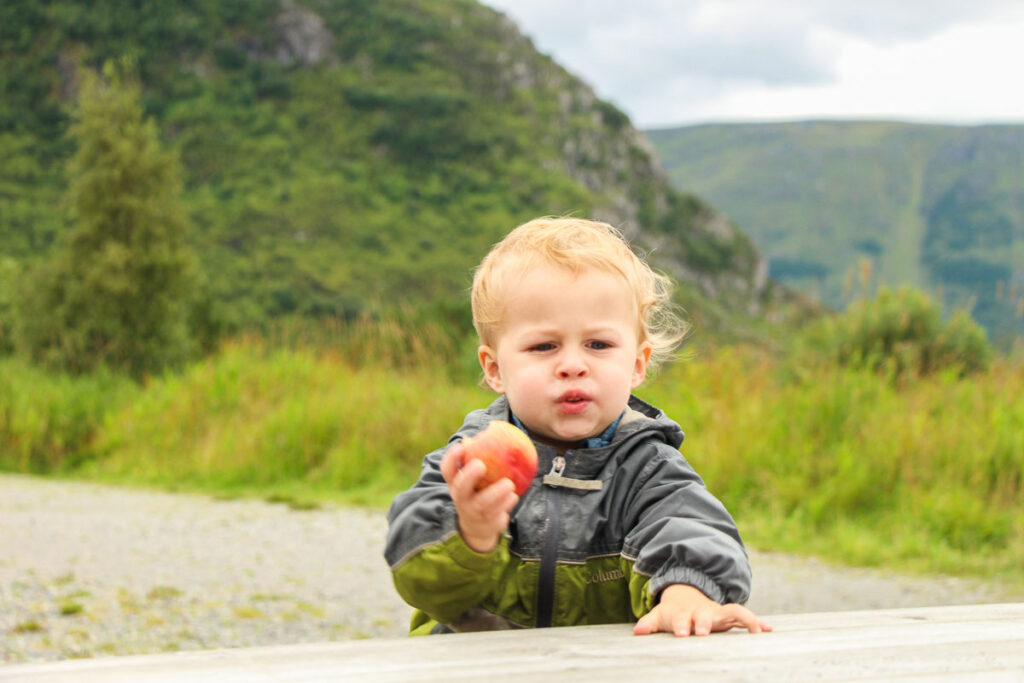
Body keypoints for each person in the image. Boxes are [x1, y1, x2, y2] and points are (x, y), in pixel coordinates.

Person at [384, 216, 770, 638]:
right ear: (494, 369)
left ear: (638, 363)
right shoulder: (470, 460)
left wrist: (685, 592)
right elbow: (418, 577)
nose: (572, 365)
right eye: (544, 346)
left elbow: (690, 529)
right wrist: (470, 532)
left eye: (598, 345)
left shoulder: (647, 467)